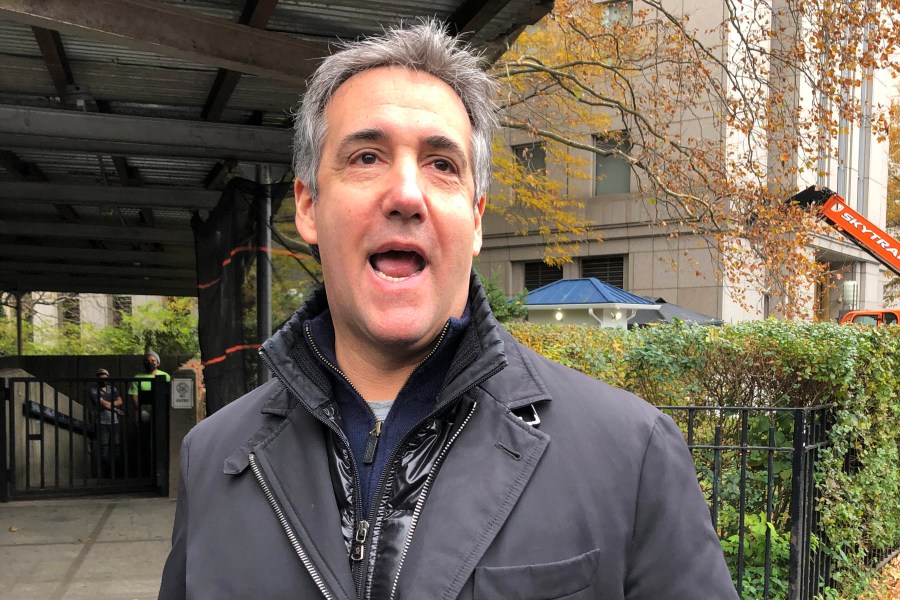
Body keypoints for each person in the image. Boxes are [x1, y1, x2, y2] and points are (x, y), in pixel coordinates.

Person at [160, 20, 738, 599]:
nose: (407, 194)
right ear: (308, 206)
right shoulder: (212, 462)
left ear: (477, 218)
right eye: (366, 156)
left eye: (442, 164)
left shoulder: (631, 455)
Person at [128, 350, 170, 478]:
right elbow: (134, 396)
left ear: (158, 363)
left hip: (161, 415)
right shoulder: (137, 378)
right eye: (147, 360)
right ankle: (146, 473)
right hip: (144, 413)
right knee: (145, 442)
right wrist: (139, 410)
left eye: (153, 360)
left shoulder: (166, 376)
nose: (150, 363)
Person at [89, 368, 123, 478]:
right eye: (100, 376)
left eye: (104, 376)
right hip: (102, 423)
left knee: (116, 448)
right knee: (104, 449)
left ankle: (116, 474)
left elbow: (120, 401)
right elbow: (102, 404)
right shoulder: (93, 390)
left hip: (114, 422)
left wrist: (110, 404)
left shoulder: (112, 388)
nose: (103, 378)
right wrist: (116, 409)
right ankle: (106, 474)